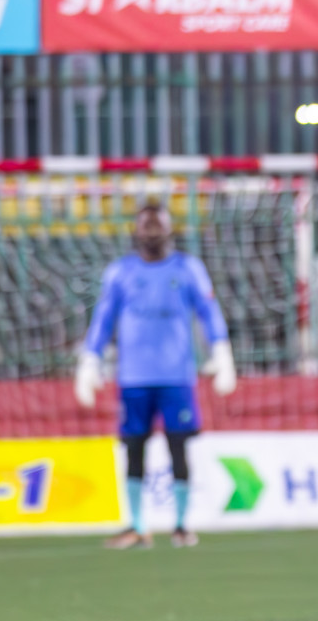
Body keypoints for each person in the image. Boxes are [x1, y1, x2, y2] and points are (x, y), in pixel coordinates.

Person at [75, 202, 236, 548]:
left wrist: (221, 351)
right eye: (144, 223)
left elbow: (209, 312)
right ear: (134, 230)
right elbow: (103, 319)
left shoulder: (188, 268)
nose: (150, 229)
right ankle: (136, 525)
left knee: (179, 446)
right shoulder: (120, 272)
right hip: (133, 378)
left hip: (177, 376)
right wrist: (91, 358)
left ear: (169, 229)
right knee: (133, 449)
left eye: (156, 223)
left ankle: (180, 524)